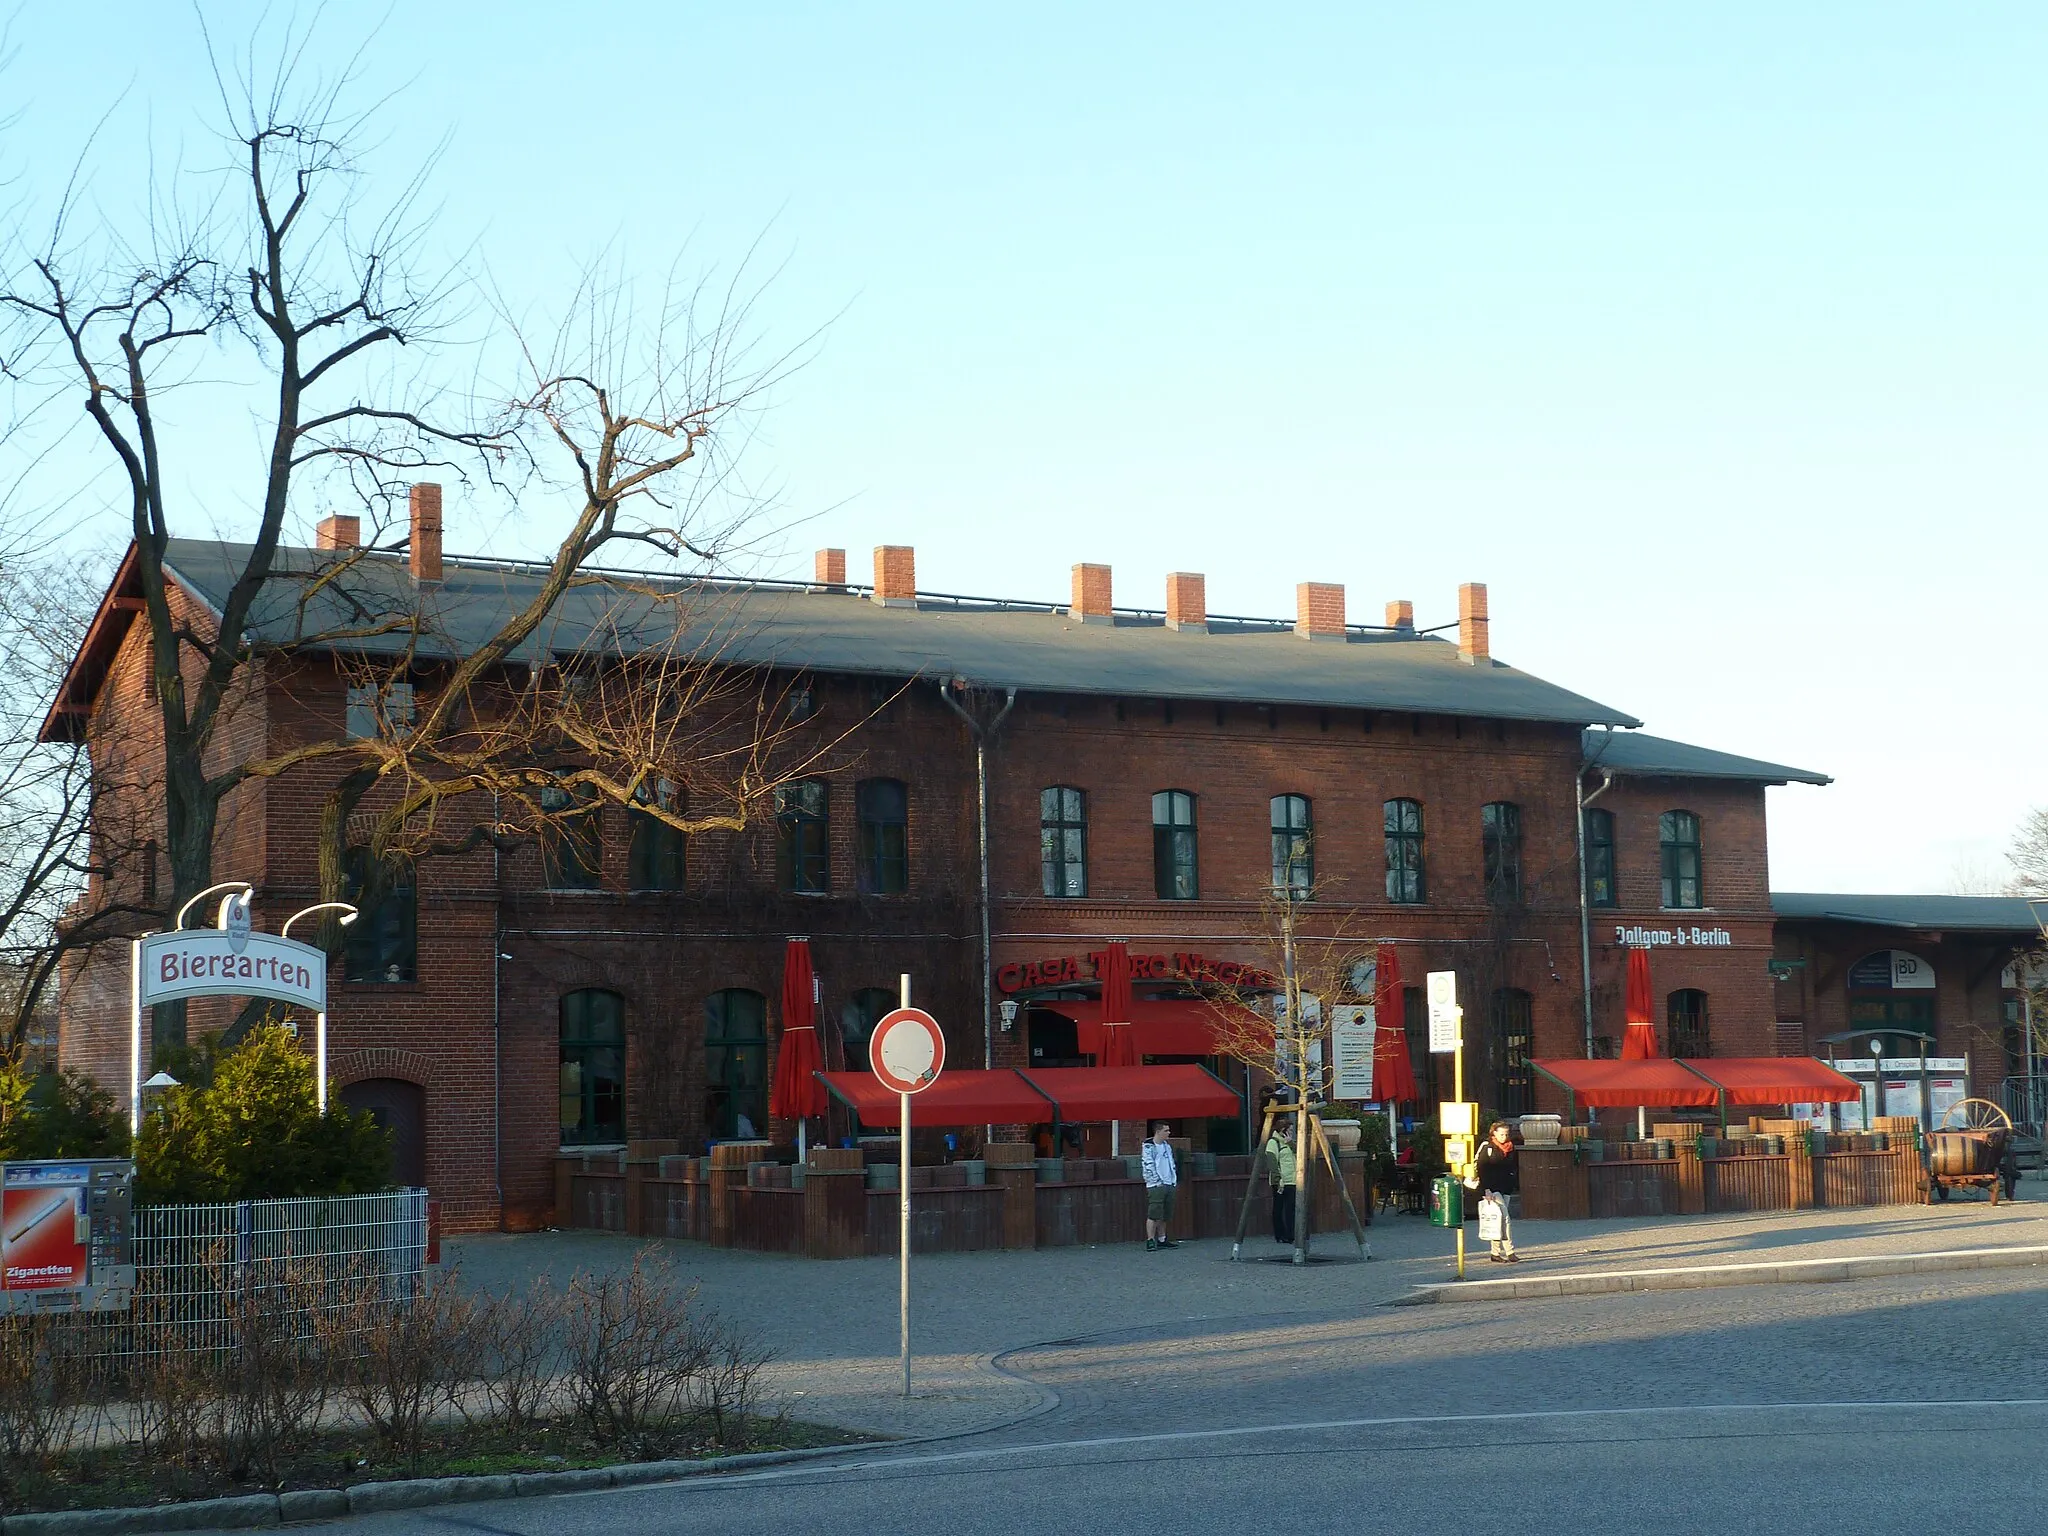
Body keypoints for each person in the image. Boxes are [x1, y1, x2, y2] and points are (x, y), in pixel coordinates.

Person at [1475, 1120, 1521, 1262]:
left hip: (1506, 1187)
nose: (1504, 1137)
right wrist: (1486, 1189)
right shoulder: (1487, 1147)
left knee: (1498, 1220)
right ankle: (1510, 1251)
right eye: (1501, 1134)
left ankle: (1495, 1253)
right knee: (1505, 1218)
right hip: (1492, 1189)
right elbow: (1482, 1169)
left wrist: (1513, 1181)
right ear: (1494, 1133)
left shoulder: (1511, 1148)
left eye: (1506, 1134)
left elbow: (1514, 1167)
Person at [1142, 1121, 1180, 1251]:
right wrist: (1157, 1182)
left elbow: (1171, 1163)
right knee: (1154, 1213)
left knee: (1165, 1213)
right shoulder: (1149, 1146)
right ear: (1158, 1132)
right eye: (1166, 1130)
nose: (1168, 1133)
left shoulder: (1166, 1146)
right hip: (1156, 1185)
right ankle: (1150, 1240)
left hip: (1169, 1182)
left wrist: (1173, 1180)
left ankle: (1162, 1239)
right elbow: (1148, 1166)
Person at [1265, 1119, 1297, 1245]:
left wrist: (1291, 1144)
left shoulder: (1289, 1143)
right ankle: (1280, 1234)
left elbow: (1298, 1156)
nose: (1291, 1133)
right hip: (1281, 1181)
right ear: (1283, 1130)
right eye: (1290, 1130)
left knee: (1290, 1209)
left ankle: (1290, 1234)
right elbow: (1272, 1163)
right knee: (1279, 1208)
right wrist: (1278, 1181)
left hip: (1292, 1180)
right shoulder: (1273, 1143)